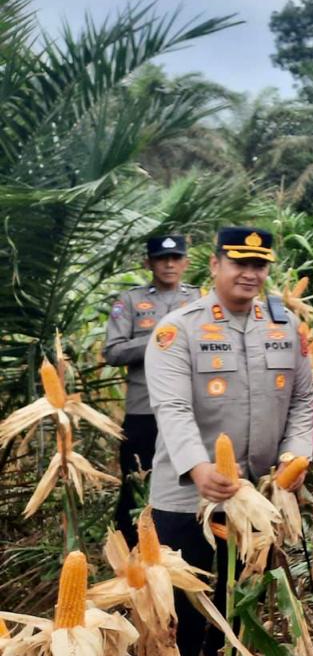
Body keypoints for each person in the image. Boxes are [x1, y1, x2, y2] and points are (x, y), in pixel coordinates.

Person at [144, 227, 313, 656]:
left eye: (259, 265)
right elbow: (172, 409)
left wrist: (296, 454)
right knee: (181, 606)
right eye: (239, 262)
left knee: (240, 602)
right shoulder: (180, 330)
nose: (250, 273)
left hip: (255, 497)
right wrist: (199, 467)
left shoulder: (284, 327)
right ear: (215, 265)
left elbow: (302, 400)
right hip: (185, 498)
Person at [103, 234, 196, 545]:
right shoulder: (129, 302)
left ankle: (177, 549)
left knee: (186, 484)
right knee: (135, 484)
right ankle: (131, 553)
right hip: (144, 410)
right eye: (161, 258)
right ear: (148, 263)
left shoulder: (199, 301)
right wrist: (159, 338)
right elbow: (113, 353)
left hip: (189, 409)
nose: (169, 264)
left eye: (175, 258)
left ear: (186, 262)